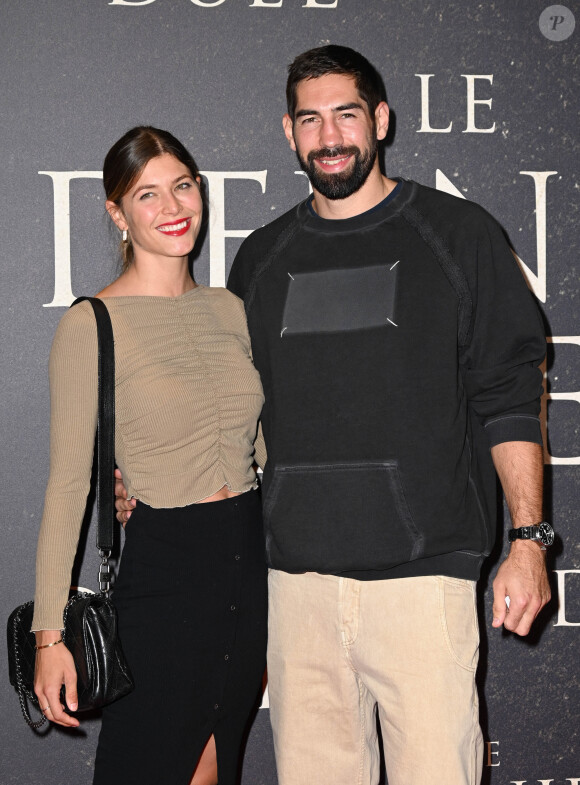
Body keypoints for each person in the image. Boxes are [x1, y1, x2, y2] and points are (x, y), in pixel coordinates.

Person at [115, 47, 552, 785]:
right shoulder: (260, 259)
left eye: (346, 114)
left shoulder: (460, 235)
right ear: (288, 132)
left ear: (380, 119)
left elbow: (509, 393)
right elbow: (227, 411)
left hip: (423, 584)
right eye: (310, 119)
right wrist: (155, 481)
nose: (329, 136)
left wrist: (530, 539)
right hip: (294, 589)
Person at [32, 126, 267, 785]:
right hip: (165, 576)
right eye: (148, 194)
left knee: (213, 766)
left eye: (183, 186)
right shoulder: (92, 324)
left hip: (248, 572)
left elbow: (265, 453)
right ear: (118, 213)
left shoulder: (232, 310)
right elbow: (67, 485)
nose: (173, 207)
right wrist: (50, 637)